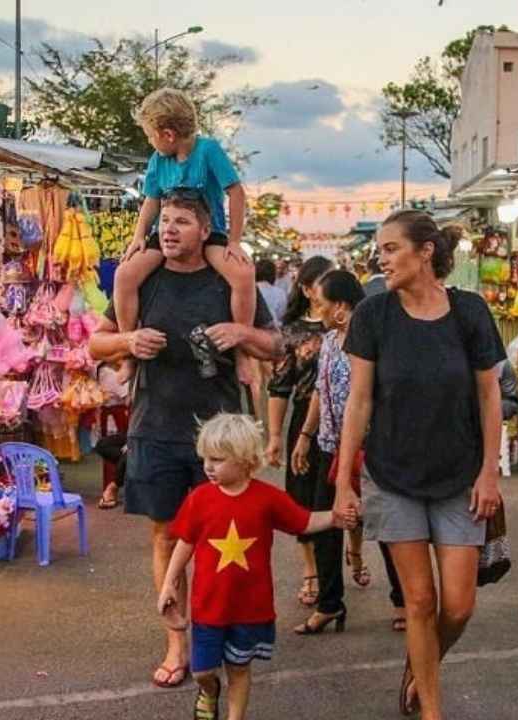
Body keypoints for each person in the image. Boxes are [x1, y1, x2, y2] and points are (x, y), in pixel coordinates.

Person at [88, 191, 278, 691]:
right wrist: (128, 343)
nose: (169, 230)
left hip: (221, 437)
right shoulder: (144, 280)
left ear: (205, 229)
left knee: (223, 540)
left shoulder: (227, 279)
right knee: (167, 535)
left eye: (182, 222)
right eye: (165, 221)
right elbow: (95, 343)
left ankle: (223, 633)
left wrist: (241, 334)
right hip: (156, 428)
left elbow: (275, 346)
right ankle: (177, 641)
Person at [334, 210, 506, 720]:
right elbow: (359, 402)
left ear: (425, 251)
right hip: (392, 475)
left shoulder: (470, 311)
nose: (380, 258)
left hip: (460, 475)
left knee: (458, 605)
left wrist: (490, 471)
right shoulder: (373, 315)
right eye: (380, 250)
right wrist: (344, 480)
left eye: (390, 248)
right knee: (419, 601)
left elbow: (489, 395)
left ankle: (421, 666)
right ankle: (431, 709)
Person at [160, 413, 341, 720]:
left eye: (217, 459)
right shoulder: (200, 499)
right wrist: (169, 583)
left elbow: (305, 521)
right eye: (205, 458)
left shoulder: (267, 498)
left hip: (249, 608)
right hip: (208, 608)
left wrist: (335, 517)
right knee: (203, 670)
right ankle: (209, 689)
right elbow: (185, 543)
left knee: (239, 670)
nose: (208, 466)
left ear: (245, 460)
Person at [113, 87, 256, 387]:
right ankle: (128, 352)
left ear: (167, 134)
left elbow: (236, 192)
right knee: (125, 274)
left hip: (210, 232)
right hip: (168, 234)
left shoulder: (208, 151)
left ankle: (243, 349)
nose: (150, 142)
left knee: (243, 275)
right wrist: (139, 236)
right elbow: (151, 200)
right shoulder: (157, 160)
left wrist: (233, 239)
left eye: (150, 136)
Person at [293, 270, 407, 634]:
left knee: (386, 525)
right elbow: (318, 391)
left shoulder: (373, 340)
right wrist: (306, 434)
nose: (318, 310)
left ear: (341, 307)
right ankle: (329, 604)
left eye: (322, 304)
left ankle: (403, 600)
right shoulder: (327, 341)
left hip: (370, 450)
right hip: (330, 447)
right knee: (326, 525)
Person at [265, 255, 336, 608]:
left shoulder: (350, 325)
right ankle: (311, 571)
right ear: (307, 289)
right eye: (324, 281)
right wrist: (276, 436)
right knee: (303, 500)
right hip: (304, 429)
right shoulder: (291, 332)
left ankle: (347, 559)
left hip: (344, 424)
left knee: (343, 494)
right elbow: (279, 388)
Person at [256, 260, 287, 328]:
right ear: (273, 274)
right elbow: (281, 315)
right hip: (272, 330)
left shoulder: (248, 290)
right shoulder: (280, 293)